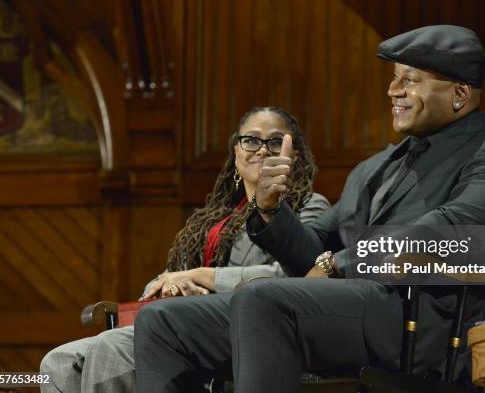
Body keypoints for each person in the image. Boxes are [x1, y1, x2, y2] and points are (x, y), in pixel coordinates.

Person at [134, 25, 485, 392]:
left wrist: (342, 263)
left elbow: (452, 230)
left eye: (411, 80)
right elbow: (314, 249)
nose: (393, 91)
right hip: (351, 310)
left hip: (419, 323)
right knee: (164, 322)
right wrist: (272, 209)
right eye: (394, 79)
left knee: (262, 299)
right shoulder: (379, 166)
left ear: (459, 93)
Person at [39, 107, 329, 393]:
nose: (262, 150)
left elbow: (300, 277)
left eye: (276, 142)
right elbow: (172, 274)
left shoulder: (309, 206)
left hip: (248, 331)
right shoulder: (215, 217)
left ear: (295, 156)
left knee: (111, 346)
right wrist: (169, 286)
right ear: (236, 152)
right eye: (251, 140)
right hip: (180, 320)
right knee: (60, 362)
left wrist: (203, 276)